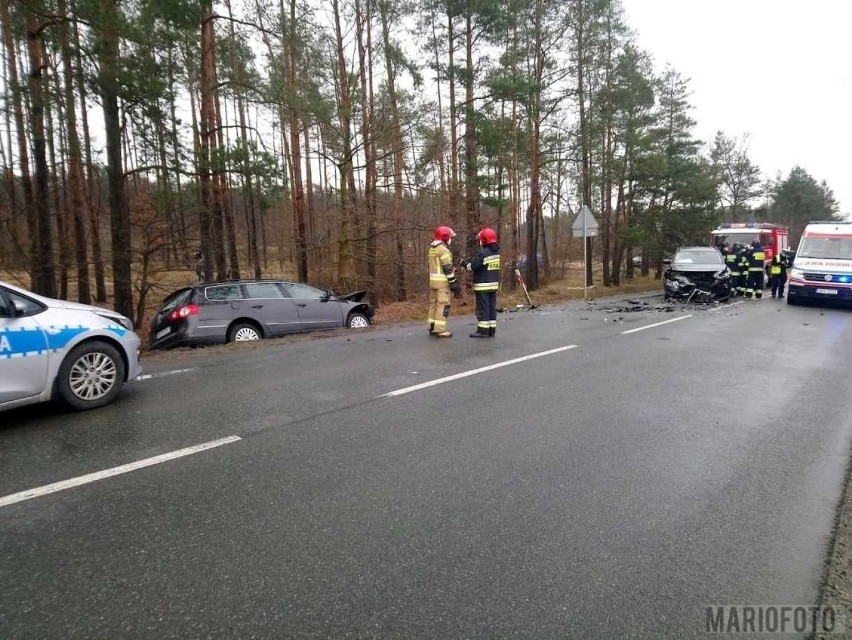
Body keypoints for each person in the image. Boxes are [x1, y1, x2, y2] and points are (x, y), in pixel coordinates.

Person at [461, 227, 500, 338]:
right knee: (491, 307)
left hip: (482, 285)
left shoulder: (482, 253)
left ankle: (483, 331)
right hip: (493, 284)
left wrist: (463, 263)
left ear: (483, 240)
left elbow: (472, 267)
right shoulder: (496, 252)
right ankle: (491, 330)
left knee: (483, 308)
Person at [427, 225, 458, 337]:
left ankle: (432, 326)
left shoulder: (432, 249)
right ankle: (440, 330)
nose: (450, 239)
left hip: (433, 282)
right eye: (450, 237)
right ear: (445, 237)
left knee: (433, 305)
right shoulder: (444, 250)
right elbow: (447, 268)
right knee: (443, 305)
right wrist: (453, 281)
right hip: (442, 284)